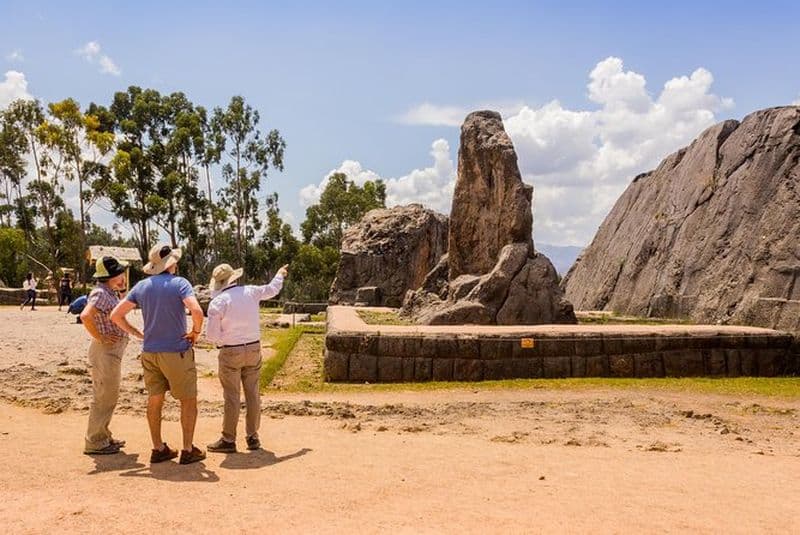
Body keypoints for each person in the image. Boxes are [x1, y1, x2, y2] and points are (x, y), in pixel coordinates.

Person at [110, 244, 206, 465]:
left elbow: (116, 315)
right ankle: (187, 449)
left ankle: (158, 447)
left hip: (150, 352)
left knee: (155, 399)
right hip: (176, 351)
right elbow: (197, 311)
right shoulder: (180, 283)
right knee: (188, 400)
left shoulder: (141, 287)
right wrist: (195, 332)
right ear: (171, 264)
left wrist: (137, 333)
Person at [205, 263, 288, 453]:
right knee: (253, 393)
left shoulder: (218, 302)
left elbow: (212, 336)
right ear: (233, 278)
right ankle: (252, 436)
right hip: (253, 348)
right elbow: (272, 289)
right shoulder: (251, 291)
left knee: (231, 396)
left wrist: (222, 342)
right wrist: (279, 274)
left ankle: (228, 438)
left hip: (230, 351)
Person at [80, 256, 136, 455]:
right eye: (119, 274)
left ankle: (103, 435)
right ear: (110, 276)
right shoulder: (101, 293)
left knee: (108, 394)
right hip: (106, 351)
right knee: (104, 395)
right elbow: (85, 316)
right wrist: (101, 337)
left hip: (110, 351)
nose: (122, 277)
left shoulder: (108, 292)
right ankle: (95, 440)